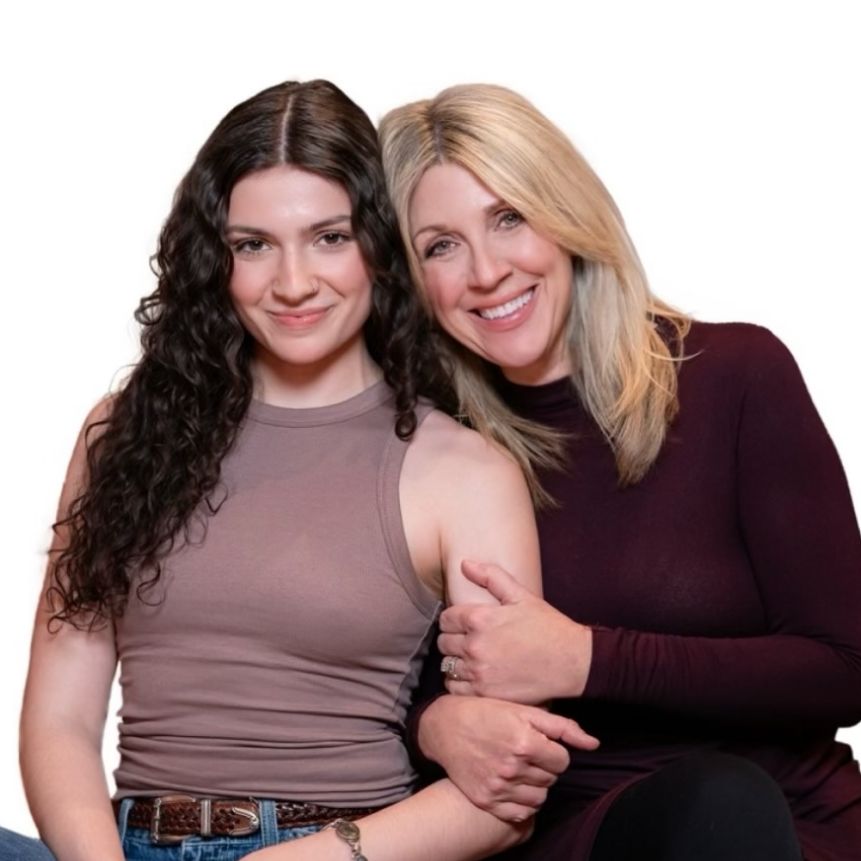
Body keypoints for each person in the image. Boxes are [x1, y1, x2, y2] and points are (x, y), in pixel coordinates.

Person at [2, 79, 600, 861]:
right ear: (214, 256)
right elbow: (60, 720)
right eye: (253, 245)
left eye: (329, 238)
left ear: (378, 245)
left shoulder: (462, 471)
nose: (292, 283)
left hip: (335, 848)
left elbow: (502, 794)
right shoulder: (124, 431)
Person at [380, 83, 861, 860]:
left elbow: (844, 667)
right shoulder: (427, 447)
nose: (487, 270)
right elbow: (361, 676)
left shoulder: (736, 376)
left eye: (509, 217)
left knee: (720, 805)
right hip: (573, 836)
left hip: (784, 826)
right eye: (440, 246)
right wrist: (432, 724)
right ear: (410, 278)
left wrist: (587, 657)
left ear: (566, 211)